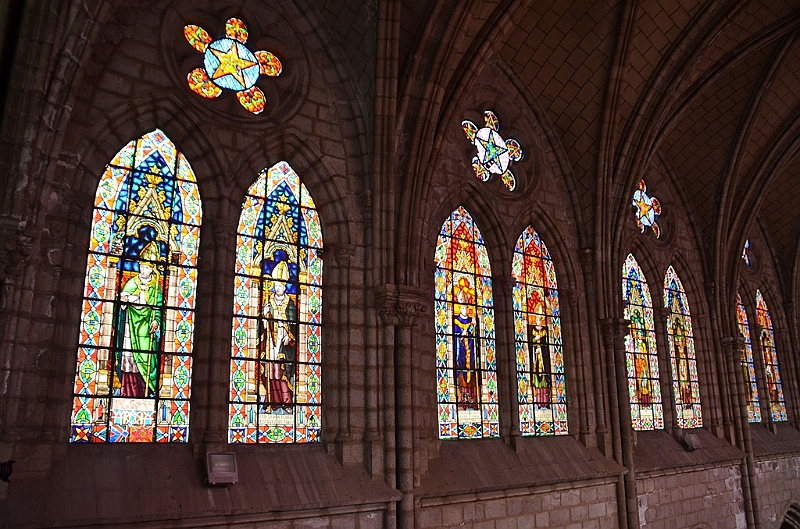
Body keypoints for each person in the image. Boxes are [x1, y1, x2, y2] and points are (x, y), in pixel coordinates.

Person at [115, 242, 162, 398]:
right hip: (131, 325)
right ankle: (128, 391)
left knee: (147, 358)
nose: (144, 270)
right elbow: (122, 300)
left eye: (148, 267)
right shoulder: (132, 282)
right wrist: (126, 299)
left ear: (152, 269)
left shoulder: (155, 287)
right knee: (129, 354)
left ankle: (145, 390)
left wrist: (156, 320)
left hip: (146, 327)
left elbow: (158, 306)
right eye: (142, 266)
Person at [259, 261, 297, 413]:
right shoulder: (268, 301)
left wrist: (289, 335)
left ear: (285, 286)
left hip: (284, 341)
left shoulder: (290, 303)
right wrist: (264, 315)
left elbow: (294, 324)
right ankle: (272, 403)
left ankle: (287, 403)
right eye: (276, 285)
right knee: (271, 371)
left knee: (282, 372)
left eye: (280, 286)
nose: (278, 288)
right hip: (270, 341)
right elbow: (261, 323)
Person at [453, 289, 479, 410]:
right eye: (462, 308)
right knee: (462, 372)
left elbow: (475, 336)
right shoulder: (456, 321)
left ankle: (472, 400)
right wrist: (461, 335)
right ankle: (462, 400)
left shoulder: (471, 321)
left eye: (466, 307)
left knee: (472, 372)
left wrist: (473, 327)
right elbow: (454, 335)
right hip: (462, 351)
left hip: (471, 351)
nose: (464, 310)